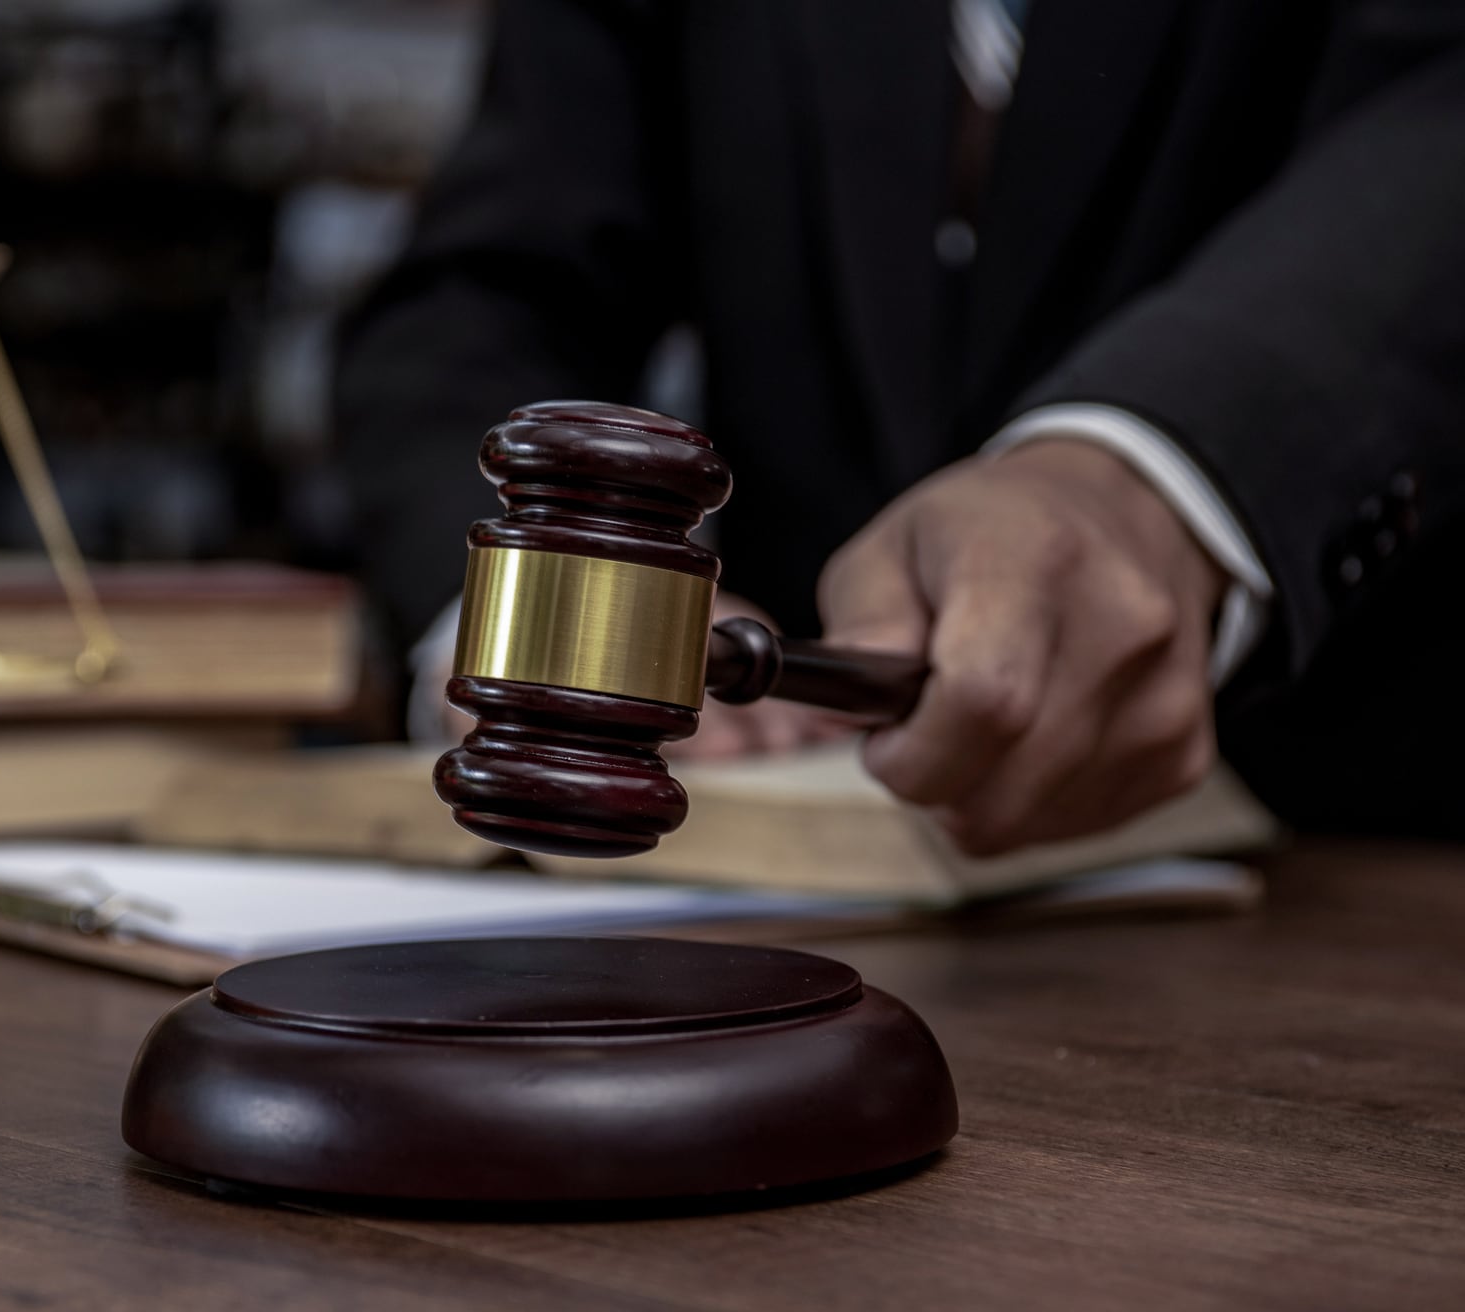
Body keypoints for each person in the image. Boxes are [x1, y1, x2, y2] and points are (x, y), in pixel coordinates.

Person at [336, 0, 1465, 850]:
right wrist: (522, 617)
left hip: (1356, 868)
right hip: (777, 872)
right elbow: (476, 303)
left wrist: (1156, 463)